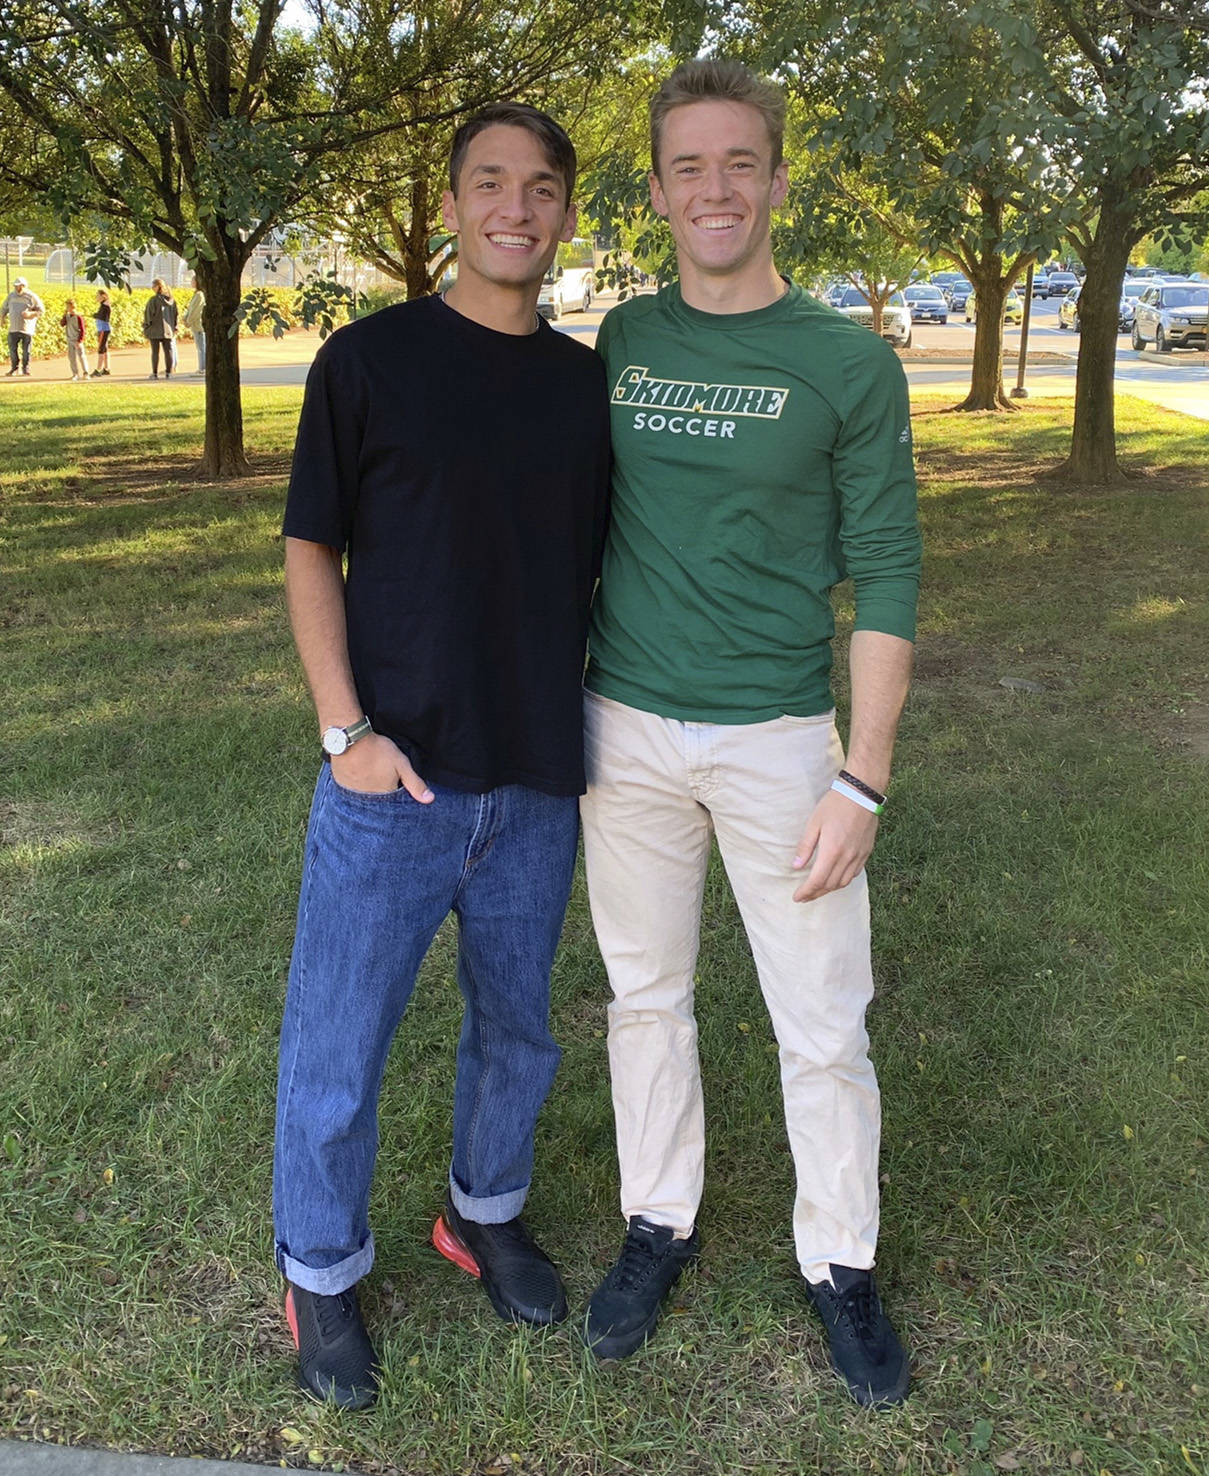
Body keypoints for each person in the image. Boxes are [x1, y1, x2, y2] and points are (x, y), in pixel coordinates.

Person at [578, 59, 921, 1410]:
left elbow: (887, 574)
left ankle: (841, 1260)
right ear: (657, 189)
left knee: (823, 1022)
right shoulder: (622, 341)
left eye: (739, 162)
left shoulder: (848, 361)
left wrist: (865, 776)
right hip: (624, 727)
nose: (713, 188)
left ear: (779, 178)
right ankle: (656, 1221)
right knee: (644, 998)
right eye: (687, 166)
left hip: (781, 737)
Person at [274, 102, 609, 1411]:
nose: (514, 208)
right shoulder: (369, 361)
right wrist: (344, 729)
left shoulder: (585, 385)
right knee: (339, 1040)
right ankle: (318, 1266)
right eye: (489, 184)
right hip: (393, 780)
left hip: (536, 772)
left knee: (517, 1029)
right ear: (453, 206)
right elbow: (312, 544)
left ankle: (483, 1212)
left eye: (539, 188)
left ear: (566, 212)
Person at [2, 277, 44, 375]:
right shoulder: (11, 296)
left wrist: (31, 314)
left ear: (24, 286)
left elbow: (41, 311)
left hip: (27, 329)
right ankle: (14, 368)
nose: (18, 288)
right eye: (16, 286)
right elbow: (4, 308)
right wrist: (2, 318)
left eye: (20, 286)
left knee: (26, 351)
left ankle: (26, 369)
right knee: (12, 350)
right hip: (13, 328)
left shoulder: (31, 296)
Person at [142, 278, 177, 378]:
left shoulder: (153, 300)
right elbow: (175, 314)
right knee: (168, 351)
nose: (152, 288)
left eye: (153, 286)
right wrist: (174, 326)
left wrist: (146, 325)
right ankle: (169, 372)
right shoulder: (171, 300)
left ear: (158, 287)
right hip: (168, 329)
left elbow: (149, 315)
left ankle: (154, 373)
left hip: (154, 329)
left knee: (155, 352)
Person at [60, 299, 91, 380]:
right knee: (71, 357)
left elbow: (82, 329)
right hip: (69, 338)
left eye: (68, 306)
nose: (67, 308)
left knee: (81, 356)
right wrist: (64, 315)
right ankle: (75, 373)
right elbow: (62, 324)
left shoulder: (78, 317)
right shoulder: (67, 316)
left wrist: (80, 340)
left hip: (77, 339)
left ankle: (86, 372)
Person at [183, 276, 205, 375]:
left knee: (201, 347)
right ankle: (202, 367)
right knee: (200, 347)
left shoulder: (200, 295)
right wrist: (185, 318)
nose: (191, 282)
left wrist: (189, 321)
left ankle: (203, 368)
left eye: (193, 280)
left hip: (198, 325)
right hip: (195, 325)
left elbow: (196, 311)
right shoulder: (196, 294)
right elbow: (190, 310)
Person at [92, 289, 112, 376]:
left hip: (103, 329)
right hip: (103, 329)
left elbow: (104, 317)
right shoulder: (103, 306)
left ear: (103, 296)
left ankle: (98, 369)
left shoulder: (105, 306)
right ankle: (106, 368)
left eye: (98, 295)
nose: (96, 297)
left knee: (101, 349)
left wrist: (96, 315)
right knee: (105, 349)